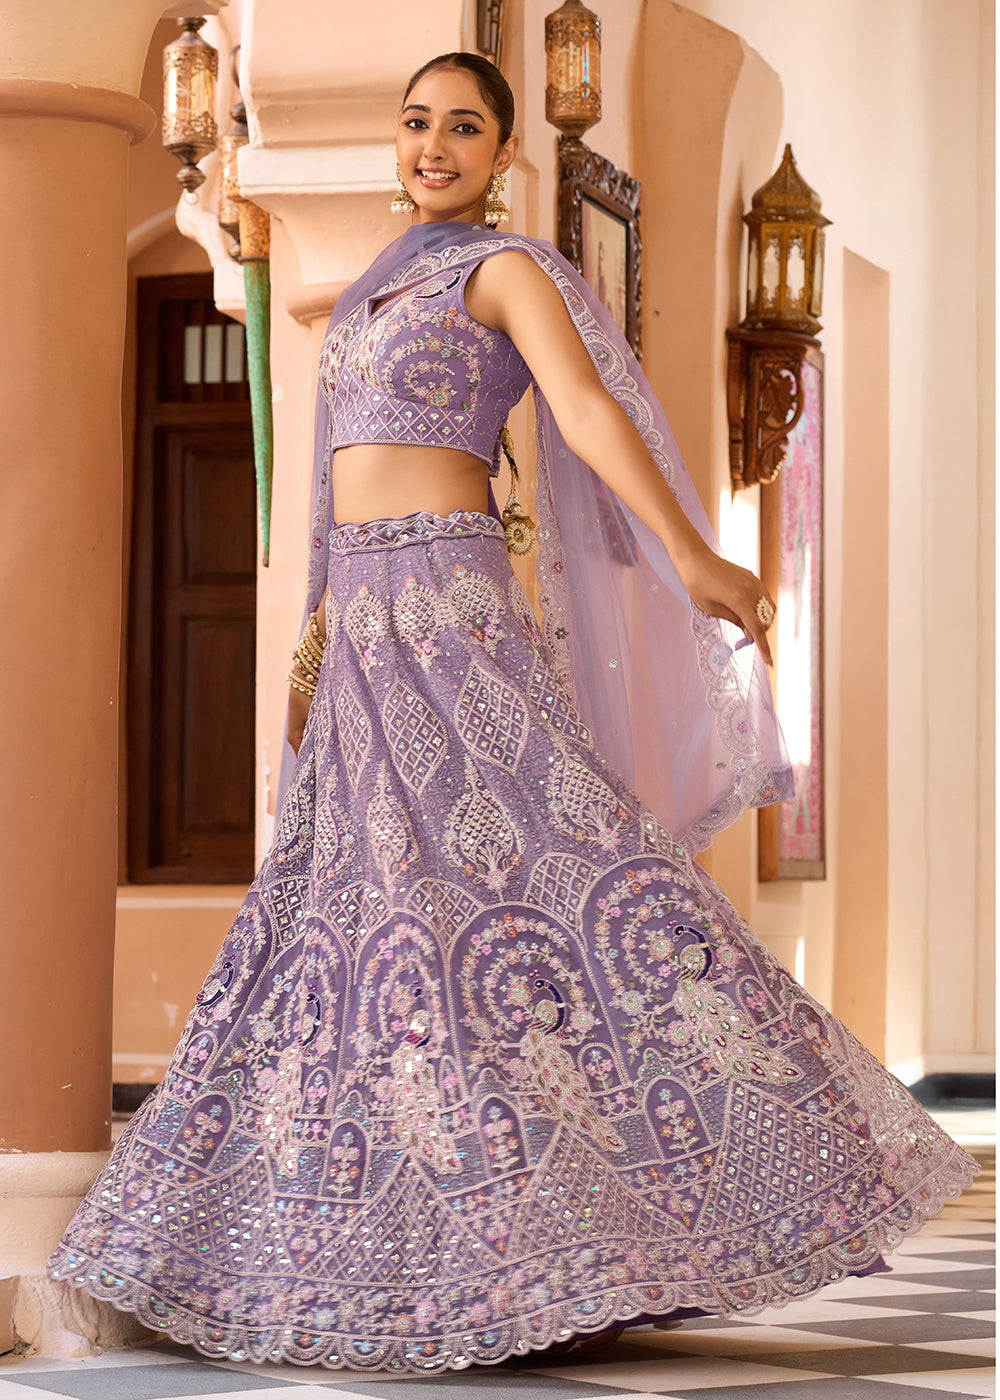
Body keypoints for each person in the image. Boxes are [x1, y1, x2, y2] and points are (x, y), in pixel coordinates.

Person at [48, 52, 977, 1375]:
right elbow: (327, 479)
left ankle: (694, 1186)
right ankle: (391, 1248)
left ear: (501, 156)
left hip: (450, 607)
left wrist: (693, 557)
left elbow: (586, 411)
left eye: (463, 126)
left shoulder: (504, 272)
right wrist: (314, 641)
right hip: (361, 627)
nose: (432, 144)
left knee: (549, 876)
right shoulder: (369, 289)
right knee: (363, 921)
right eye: (416, 122)